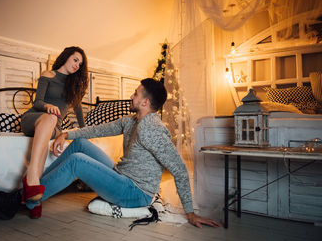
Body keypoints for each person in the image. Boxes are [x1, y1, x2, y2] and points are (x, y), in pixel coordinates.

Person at [25, 78, 221, 228]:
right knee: (80, 145)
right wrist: (67, 134)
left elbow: (179, 169)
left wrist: (190, 213)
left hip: (135, 192)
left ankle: (28, 199)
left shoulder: (152, 129)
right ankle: (34, 186)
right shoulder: (131, 121)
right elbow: (98, 130)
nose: (131, 96)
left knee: (77, 161)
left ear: (145, 102)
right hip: (122, 176)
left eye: (136, 94)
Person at [20, 46, 88, 207]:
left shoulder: (74, 86)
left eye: (80, 64)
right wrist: (47, 106)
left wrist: (85, 133)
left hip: (52, 126)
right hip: (34, 119)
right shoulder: (48, 75)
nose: (77, 65)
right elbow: (37, 102)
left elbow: (79, 116)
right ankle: (32, 180)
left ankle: (33, 192)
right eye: (75, 60)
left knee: (51, 122)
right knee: (50, 118)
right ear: (66, 57)